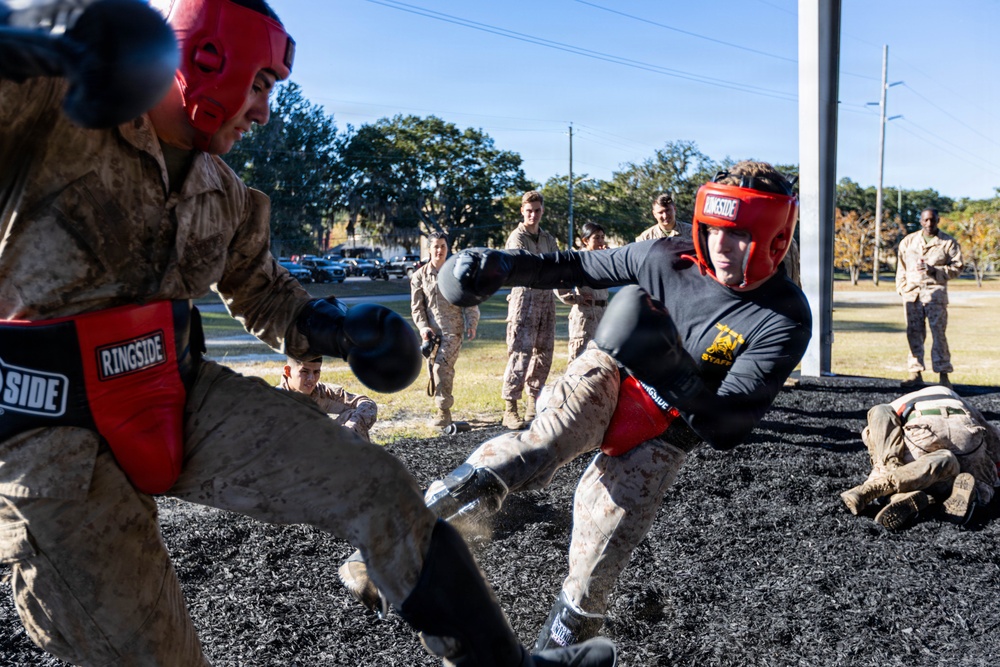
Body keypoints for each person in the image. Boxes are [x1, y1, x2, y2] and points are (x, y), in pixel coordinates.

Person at [0, 2, 617, 666]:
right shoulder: (50, 114)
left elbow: (265, 293)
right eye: (261, 82)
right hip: (47, 431)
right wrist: (38, 22)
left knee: (379, 486)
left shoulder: (225, 192)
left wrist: (339, 328)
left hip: (171, 387)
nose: (264, 111)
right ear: (210, 56)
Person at [342, 160, 811, 650]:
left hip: (673, 427)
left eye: (738, 236)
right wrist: (502, 265)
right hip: (612, 372)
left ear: (776, 240)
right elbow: (577, 265)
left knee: (599, 563)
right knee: (542, 443)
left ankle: (549, 658)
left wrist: (669, 369)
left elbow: (729, 425)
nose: (720, 246)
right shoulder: (666, 256)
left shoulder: (783, 318)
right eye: (714, 230)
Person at [841, 386, 1000, 530]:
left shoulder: (897, 404)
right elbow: (994, 439)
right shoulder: (954, 397)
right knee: (980, 480)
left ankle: (886, 491)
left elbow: (876, 431)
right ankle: (977, 495)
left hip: (921, 431)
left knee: (885, 456)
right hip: (966, 433)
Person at [501, 190, 560, 430]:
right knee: (520, 353)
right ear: (522, 211)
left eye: (536, 210)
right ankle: (510, 407)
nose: (532, 215)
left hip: (546, 300)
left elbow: (557, 265)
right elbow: (525, 266)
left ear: (542, 211)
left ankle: (532, 402)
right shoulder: (517, 238)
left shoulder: (548, 239)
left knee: (544, 353)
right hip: (524, 301)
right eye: (528, 211)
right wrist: (545, 270)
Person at [410, 231, 480, 429]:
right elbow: (417, 307)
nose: (439, 250)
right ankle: (442, 408)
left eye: (443, 246)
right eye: (435, 246)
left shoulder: (456, 272)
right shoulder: (419, 276)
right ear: (429, 249)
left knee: (442, 368)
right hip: (431, 335)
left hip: (453, 331)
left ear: (447, 248)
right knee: (433, 370)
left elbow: (470, 299)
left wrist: (471, 322)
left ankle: (443, 412)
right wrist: (423, 328)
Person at [895, 208, 963, 389]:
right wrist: (902, 288)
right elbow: (901, 267)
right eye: (926, 220)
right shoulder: (908, 242)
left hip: (935, 294)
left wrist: (936, 271)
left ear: (938, 220)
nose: (929, 224)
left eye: (932, 220)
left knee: (939, 334)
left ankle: (943, 375)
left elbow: (958, 267)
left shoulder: (948, 243)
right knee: (914, 333)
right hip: (913, 294)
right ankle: (915, 373)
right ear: (921, 221)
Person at [277, 356, 378, 442]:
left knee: (352, 414)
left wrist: (350, 429)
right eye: (304, 371)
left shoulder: (322, 392)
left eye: (316, 372)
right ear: (288, 371)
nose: (311, 378)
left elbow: (367, 404)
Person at [556, 222, 609, 361]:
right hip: (586, 316)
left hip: (602, 314)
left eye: (602, 237)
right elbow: (559, 282)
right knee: (579, 358)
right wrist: (575, 298)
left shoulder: (604, 258)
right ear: (585, 240)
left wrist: (609, 258)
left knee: (601, 361)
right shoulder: (579, 259)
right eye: (596, 238)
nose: (601, 241)